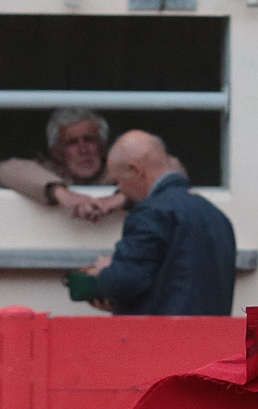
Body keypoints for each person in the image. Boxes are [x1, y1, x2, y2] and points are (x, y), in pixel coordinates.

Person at [63, 131, 235, 316]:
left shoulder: (152, 212)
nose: (122, 190)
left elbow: (125, 280)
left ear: (136, 170)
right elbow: (179, 286)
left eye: (119, 181)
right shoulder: (217, 216)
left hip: (163, 340)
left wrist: (105, 273)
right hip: (213, 339)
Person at [1, 107, 129, 222]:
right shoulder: (49, 170)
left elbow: (148, 178)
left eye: (89, 140)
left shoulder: (118, 172)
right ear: (56, 152)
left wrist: (121, 198)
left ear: (103, 146)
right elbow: (6, 169)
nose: (83, 150)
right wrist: (63, 194)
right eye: (72, 143)